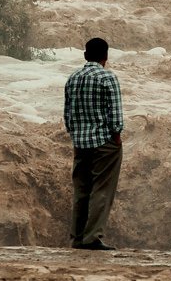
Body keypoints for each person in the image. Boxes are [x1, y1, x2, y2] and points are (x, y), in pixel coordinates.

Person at [64, 37, 124, 251]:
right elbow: (115, 116)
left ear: (85, 55)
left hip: (80, 142)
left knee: (81, 190)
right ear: (105, 57)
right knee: (101, 189)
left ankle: (77, 238)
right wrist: (116, 137)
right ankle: (92, 238)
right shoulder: (107, 78)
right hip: (104, 143)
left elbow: (68, 115)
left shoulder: (73, 78)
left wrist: (76, 135)